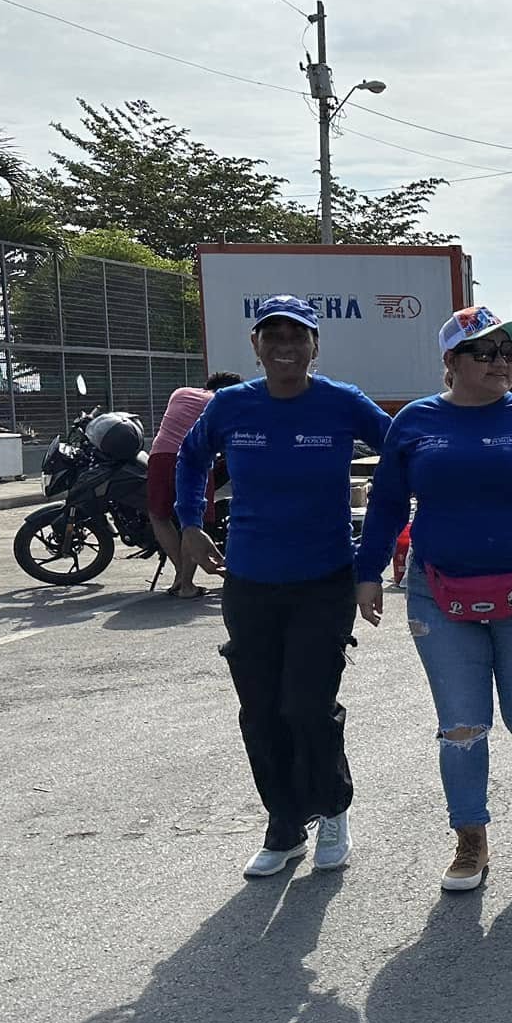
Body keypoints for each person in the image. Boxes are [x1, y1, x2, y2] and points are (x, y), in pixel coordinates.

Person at [353, 307, 512, 892]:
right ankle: (470, 838)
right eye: (484, 352)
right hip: (437, 590)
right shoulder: (415, 422)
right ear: (451, 362)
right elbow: (387, 503)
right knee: (461, 724)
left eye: (509, 352)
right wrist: (367, 572)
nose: (501, 362)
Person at [176, 295, 393, 879]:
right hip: (249, 580)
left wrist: (378, 550)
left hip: (324, 579)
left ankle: (332, 808)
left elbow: (402, 451)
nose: (285, 347)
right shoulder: (231, 406)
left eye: (297, 337)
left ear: (315, 345)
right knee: (260, 709)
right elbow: (190, 459)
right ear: (256, 346)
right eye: (273, 337)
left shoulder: (342, 402)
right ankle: (284, 823)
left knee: (307, 704)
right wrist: (191, 523)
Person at [147, 371, 243, 598]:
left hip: (160, 455)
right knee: (193, 522)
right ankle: (187, 585)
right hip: (196, 460)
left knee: (158, 516)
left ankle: (180, 573)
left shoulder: (180, 393)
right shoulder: (221, 403)